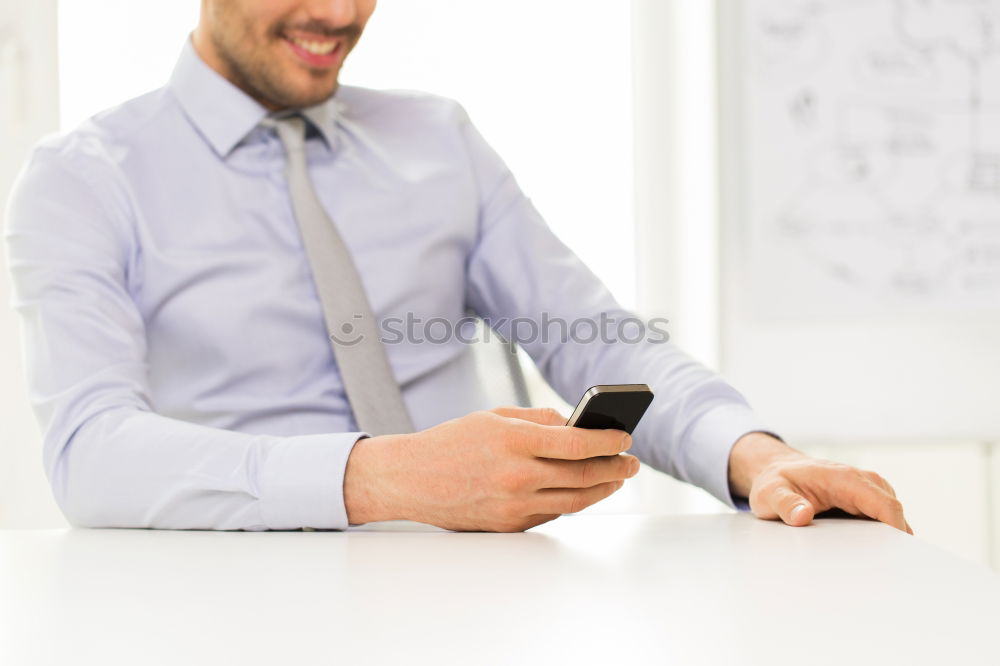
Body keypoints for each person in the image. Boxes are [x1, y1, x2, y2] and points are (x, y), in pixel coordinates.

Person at [3, 0, 911, 534]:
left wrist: (757, 457)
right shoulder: (85, 180)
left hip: (485, 605)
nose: (341, 14)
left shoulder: (438, 139)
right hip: (236, 612)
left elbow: (597, 340)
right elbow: (90, 455)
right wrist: (385, 478)